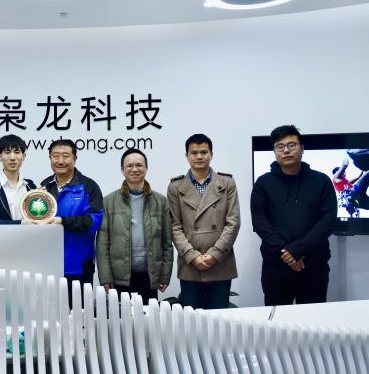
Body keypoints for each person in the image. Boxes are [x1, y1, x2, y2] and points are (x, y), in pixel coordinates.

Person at [251, 125, 337, 305]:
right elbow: (260, 222)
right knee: (277, 320)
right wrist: (286, 252)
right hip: (276, 268)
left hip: (314, 266)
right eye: (280, 147)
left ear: (302, 148)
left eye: (292, 145)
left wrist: (298, 250)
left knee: (313, 320)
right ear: (274, 151)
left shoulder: (321, 181)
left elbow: (328, 222)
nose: (286, 151)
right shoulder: (263, 183)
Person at [167, 134, 240, 309]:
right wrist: (192, 256)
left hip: (221, 263)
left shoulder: (227, 183)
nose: (199, 156)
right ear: (187, 156)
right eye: (194, 153)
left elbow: (233, 222)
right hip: (190, 265)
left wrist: (215, 254)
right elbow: (174, 226)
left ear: (211, 154)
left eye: (204, 152)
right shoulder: (175, 187)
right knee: (192, 319)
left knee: (219, 319)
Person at [96, 148, 173, 303]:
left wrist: (165, 275)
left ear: (146, 168)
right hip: (119, 278)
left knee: (148, 317)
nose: (134, 169)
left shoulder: (160, 201)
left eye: (139, 165)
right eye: (130, 166)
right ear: (122, 170)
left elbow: (166, 243)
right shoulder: (109, 201)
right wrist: (105, 276)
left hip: (149, 276)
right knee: (121, 317)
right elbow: (102, 243)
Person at [40, 139, 103, 304]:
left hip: (79, 266)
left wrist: (62, 222)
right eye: (55, 156)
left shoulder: (89, 186)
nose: (60, 161)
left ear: (75, 158)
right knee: (50, 314)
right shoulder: (43, 186)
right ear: (50, 158)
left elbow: (93, 222)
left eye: (66, 156)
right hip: (49, 266)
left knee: (78, 314)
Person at [0, 134, 37, 224]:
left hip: (29, 233)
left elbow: (37, 217)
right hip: (0, 234)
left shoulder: (30, 187)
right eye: (7, 152)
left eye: (17, 152)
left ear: (23, 156)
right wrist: (20, 224)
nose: (12, 158)